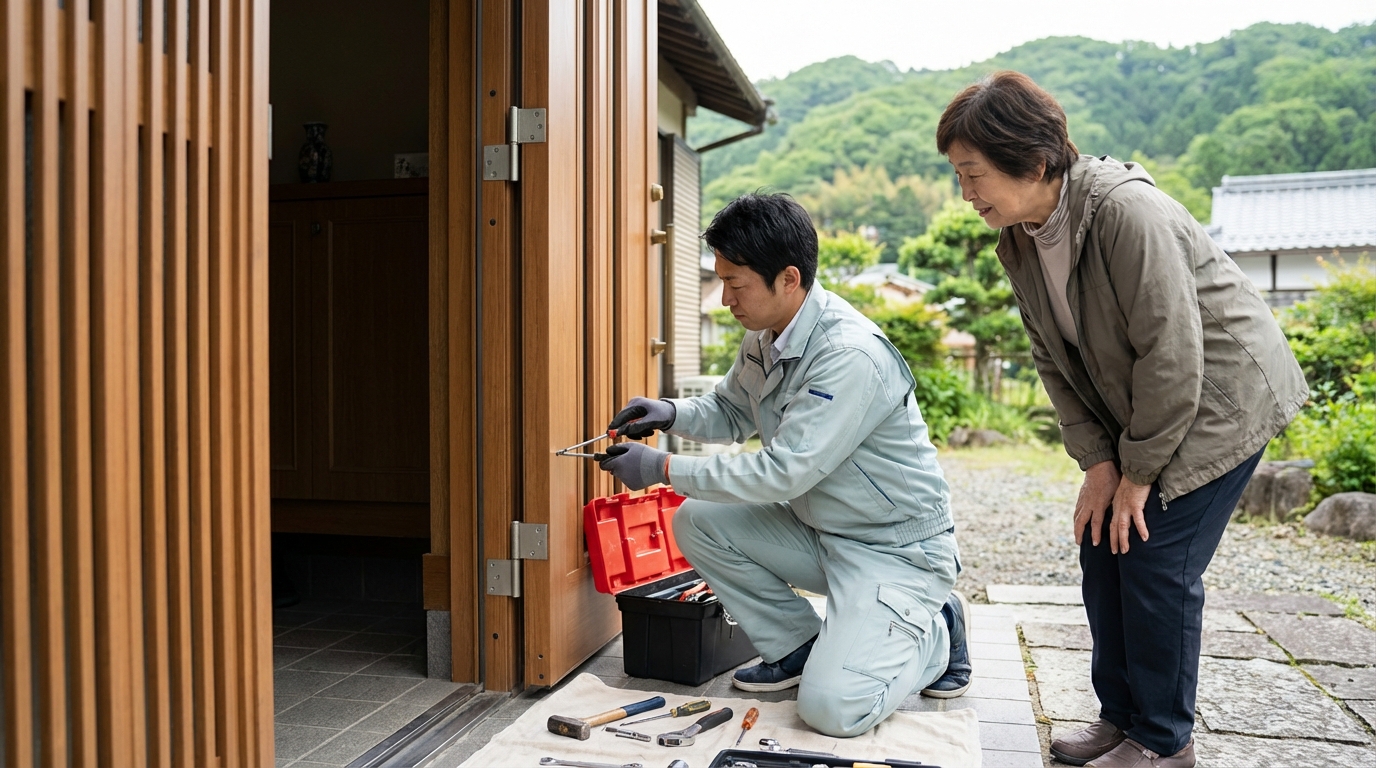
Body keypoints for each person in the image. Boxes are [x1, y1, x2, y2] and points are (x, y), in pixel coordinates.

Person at [935, 72, 1307, 768]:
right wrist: (1099, 466)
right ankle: (1121, 719)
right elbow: (1054, 361)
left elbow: (1172, 353)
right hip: (1153, 407)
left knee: (1155, 558)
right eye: (960, 177)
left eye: (974, 174)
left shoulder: (1123, 212)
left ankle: (1165, 744)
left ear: (1036, 161)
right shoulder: (1019, 239)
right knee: (1101, 547)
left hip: (1221, 401)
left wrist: (1137, 476)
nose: (967, 193)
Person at [595, 193, 969, 738]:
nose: (725, 299)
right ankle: (801, 646)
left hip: (895, 551)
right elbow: (729, 410)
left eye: (736, 283)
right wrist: (670, 413)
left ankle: (937, 627)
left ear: (788, 278)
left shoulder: (849, 355)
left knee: (833, 711)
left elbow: (781, 472)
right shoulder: (767, 335)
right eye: (721, 280)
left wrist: (662, 468)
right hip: (824, 533)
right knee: (698, 520)